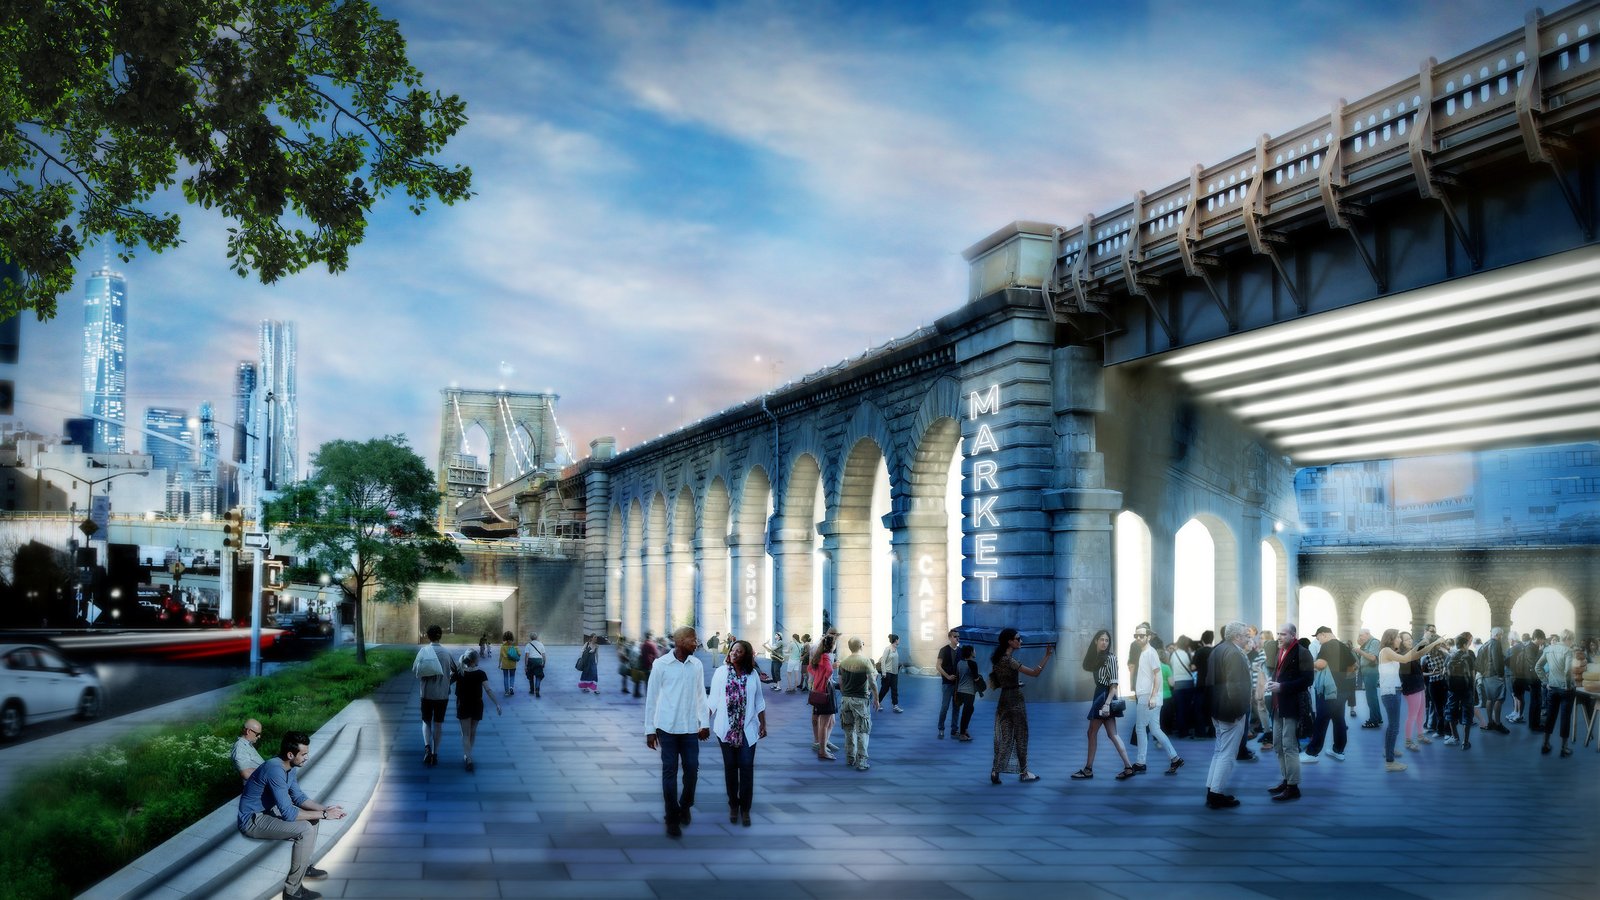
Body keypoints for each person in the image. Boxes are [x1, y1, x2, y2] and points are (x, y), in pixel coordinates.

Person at [237, 730, 347, 900]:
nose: (306, 757)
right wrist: (325, 814)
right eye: (303, 754)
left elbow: (298, 797)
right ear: (290, 754)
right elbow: (288, 813)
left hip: (267, 813)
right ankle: (292, 892)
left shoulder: (290, 767)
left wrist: (326, 809)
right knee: (306, 829)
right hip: (252, 820)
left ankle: (304, 867)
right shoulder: (275, 769)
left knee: (313, 818)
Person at [644, 626, 710, 837]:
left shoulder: (696, 665)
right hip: (667, 729)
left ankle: (685, 805)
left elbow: (701, 695)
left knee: (692, 771)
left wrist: (704, 723)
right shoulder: (661, 664)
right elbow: (651, 697)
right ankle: (671, 817)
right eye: (693, 639)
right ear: (680, 641)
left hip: (690, 728)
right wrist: (649, 730)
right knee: (669, 773)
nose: (696, 643)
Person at [708, 639, 767, 827]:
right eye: (733, 650)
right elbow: (713, 700)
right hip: (725, 730)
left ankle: (746, 809)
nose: (734, 653)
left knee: (747, 768)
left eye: (739, 651)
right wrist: (701, 723)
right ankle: (733, 805)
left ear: (746, 655)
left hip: (748, 730)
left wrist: (763, 724)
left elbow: (759, 700)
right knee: (731, 769)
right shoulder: (721, 672)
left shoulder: (753, 675)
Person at [1377, 628, 1448, 771]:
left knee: (1393, 726)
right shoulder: (1386, 651)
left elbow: (1417, 653)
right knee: (1394, 727)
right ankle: (1390, 762)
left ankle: (1388, 750)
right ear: (1391, 638)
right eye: (1398, 637)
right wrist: (1425, 641)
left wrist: (1429, 644)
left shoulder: (1391, 652)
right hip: (1390, 692)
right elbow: (1408, 657)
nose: (1400, 640)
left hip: (1393, 692)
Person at [992, 627, 1052, 783]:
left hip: (1003, 699)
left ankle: (995, 770)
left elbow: (995, 683)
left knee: (1004, 737)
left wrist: (1012, 683)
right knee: (1021, 735)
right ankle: (1024, 773)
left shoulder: (997, 659)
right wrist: (1046, 656)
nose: (1020, 641)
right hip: (1015, 700)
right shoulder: (1010, 660)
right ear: (1010, 641)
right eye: (1018, 639)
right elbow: (1034, 673)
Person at [1071, 629, 1131, 782]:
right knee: (1112, 734)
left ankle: (1088, 769)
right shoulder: (1097, 657)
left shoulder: (1110, 658)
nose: (1105, 642)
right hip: (1100, 695)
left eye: (1107, 640)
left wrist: (1106, 704)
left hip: (1104, 697)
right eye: (1102, 639)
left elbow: (1114, 683)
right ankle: (1128, 767)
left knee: (1092, 732)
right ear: (1096, 641)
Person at [1205, 622, 1253, 809]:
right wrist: (1239, 711)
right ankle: (1216, 795)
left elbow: (1209, 681)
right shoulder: (1233, 653)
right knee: (1227, 754)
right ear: (1236, 637)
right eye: (1245, 635)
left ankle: (1211, 789)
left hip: (1218, 709)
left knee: (1219, 752)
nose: (1248, 638)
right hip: (1230, 711)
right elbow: (1234, 686)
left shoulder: (1218, 650)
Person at [1265, 623, 1314, 802]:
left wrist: (1282, 686)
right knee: (1278, 745)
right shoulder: (1280, 650)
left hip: (1292, 706)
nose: (1279, 637)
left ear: (1294, 635)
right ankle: (1286, 781)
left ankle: (1293, 787)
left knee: (1289, 746)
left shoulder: (1302, 652)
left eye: (1283, 634)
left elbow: (1308, 679)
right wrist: (1272, 683)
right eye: (1278, 633)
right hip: (1279, 705)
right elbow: (1279, 674)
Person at [1132, 625, 1184, 775]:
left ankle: (1141, 762)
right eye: (1136, 636)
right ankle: (1175, 758)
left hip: (1148, 696)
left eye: (1141, 636)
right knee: (1155, 729)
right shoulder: (1146, 652)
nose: (1138, 638)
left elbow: (1158, 675)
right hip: (1149, 695)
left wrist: (1153, 696)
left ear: (1148, 637)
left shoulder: (1150, 652)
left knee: (1141, 728)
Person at [1304, 625, 1352, 762]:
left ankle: (1311, 753)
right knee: (1339, 720)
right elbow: (1353, 666)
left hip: (1329, 690)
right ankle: (1338, 750)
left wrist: (1308, 663)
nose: (1319, 642)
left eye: (1319, 639)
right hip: (1342, 690)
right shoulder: (1344, 646)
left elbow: (1320, 664)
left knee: (1321, 720)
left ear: (1324, 634)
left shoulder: (1326, 646)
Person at [412, 625, 458, 767]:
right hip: (442, 695)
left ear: (428, 636)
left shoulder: (424, 651)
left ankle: (427, 749)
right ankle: (435, 753)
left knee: (426, 721)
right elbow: (456, 672)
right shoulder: (446, 653)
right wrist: (447, 683)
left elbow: (416, 670)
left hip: (426, 694)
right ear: (440, 636)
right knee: (438, 724)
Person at [837, 637, 882, 771]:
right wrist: (876, 698)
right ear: (860, 646)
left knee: (848, 730)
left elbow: (840, 683)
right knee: (862, 730)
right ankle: (861, 761)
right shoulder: (865, 661)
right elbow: (872, 682)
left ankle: (850, 757)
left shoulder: (843, 662)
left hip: (845, 700)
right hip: (860, 700)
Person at [455, 649, 501, 771]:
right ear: (474, 660)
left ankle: (468, 757)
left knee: (465, 734)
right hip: (477, 704)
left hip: (463, 704)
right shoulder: (481, 673)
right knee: (473, 731)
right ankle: (468, 755)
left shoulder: (459, 672)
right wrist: (497, 704)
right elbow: (488, 690)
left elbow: (446, 682)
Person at [1537, 630, 1577, 757]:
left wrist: (1545, 681)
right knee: (1565, 718)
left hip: (1552, 688)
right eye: (1572, 640)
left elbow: (1538, 666)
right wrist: (1567, 685)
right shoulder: (1568, 651)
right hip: (1566, 690)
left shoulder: (1548, 649)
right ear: (1569, 639)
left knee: (1550, 716)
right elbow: (1567, 671)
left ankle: (1545, 744)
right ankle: (1564, 748)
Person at [1444, 632, 1477, 749]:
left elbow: (1444, 673)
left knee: (1451, 712)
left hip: (1452, 690)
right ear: (1464, 645)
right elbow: (1473, 676)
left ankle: (1455, 737)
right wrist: (1473, 692)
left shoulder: (1450, 656)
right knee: (1467, 713)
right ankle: (1465, 742)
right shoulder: (1469, 656)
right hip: (1466, 689)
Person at [809, 634, 839, 759]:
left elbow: (810, 668)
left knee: (830, 721)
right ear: (832, 645)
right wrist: (825, 678)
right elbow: (829, 671)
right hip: (825, 690)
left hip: (817, 689)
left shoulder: (818, 655)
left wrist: (819, 677)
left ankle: (824, 743)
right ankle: (822, 750)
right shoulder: (826, 657)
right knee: (825, 722)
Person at [1398, 632, 1430, 750]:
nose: (1410, 641)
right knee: (1412, 715)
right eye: (1406, 640)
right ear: (1401, 642)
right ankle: (1408, 741)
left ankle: (1420, 735)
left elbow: (1418, 671)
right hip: (1411, 688)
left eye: (1410, 638)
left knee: (1421, 712)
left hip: (1419, 686)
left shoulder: (1412, 653)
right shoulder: (1402, 654)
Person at [1479, 627, 1509, 733]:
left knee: (1489, 699)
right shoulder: (1496, 643)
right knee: (1499, 699)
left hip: (1486, 676)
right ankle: (1497, 724)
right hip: (1495, 675)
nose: (1502, 637)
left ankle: (1490, 722)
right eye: (1501, 635)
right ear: (1499, 635)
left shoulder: (1485, 644)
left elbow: (1479, 661)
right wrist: (1501, 674)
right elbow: (1497, 660)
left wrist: (1483, 672)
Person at [1354, 627, 1383, 728]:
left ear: (1367, 634)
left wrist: (1359, 651)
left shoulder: (1374, 642)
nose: (1360, 638)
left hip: (1371, 672)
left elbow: (1372, 657)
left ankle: (1373, 720)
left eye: (1361, 635)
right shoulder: (1368, 643)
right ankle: (1377, 718)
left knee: (1371, 697)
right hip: (1367, 672)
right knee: (1372, 697)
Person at [1170, 636, 1196, 738]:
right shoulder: (1187, 654)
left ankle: (1181, 730)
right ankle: (1187, 729)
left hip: (1177, 683)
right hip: (1188, 683)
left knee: (1179, 708)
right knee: (1187, 707)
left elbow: (1171, 666)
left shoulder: (1173, 654)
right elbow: (1191, 667)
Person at [953, 644, 981, 740]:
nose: (975, 652)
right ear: (971, 653)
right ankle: (962, 734)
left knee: (970, 709)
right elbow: (976, 678)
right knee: (966, 712)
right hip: (969, 691)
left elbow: (958, 677)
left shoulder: (959, 663)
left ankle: (964, 730)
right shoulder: (973, 664)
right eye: (974, 650)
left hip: (960, 690)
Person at [936, 629, 960, 740]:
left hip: (958, 684)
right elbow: (938, 666)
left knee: (956, 707)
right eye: (955, 636)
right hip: (947, 683)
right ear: (950, 637)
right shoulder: (944, 650)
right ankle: (941, 728)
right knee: (945, 707)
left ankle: (954, 730)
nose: (957, 638)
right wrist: (947, 676)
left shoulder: (961, 651)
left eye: (958, 636)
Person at [877, 634, 903, 712]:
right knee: (884, 689)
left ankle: (895, 705)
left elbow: (893, 661)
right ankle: (877, 703)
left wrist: (898, 666)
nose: (899, 641)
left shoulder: (896, 649)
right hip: (887, 673)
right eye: (898, 639)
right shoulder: (887, 649)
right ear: (896, 640)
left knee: (894, 689)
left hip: (895, 673)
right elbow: (883, 661)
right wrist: (884, 672)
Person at [523, 631, 547, 697]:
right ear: (537, 637)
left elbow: (527, 656)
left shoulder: (528, 645)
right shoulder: (541, 644)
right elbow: (544, 656)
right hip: (539, 661)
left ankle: (531, 690)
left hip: (531, 661)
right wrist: (544, 663)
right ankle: (537, 690)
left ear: (530, 638)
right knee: (538, 676)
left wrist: (525, 665)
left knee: (530, 676)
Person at [497, 630, 520, 697]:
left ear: (505, 638)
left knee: (505, 677)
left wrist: (499, 664)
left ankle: (506, 692)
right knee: (512, 676)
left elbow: (500, 656)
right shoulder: (514, 646)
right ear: (512, 637)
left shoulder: (502, 646)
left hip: (505, 664)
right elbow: (519, 654)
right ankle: (511, 687)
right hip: (512, 664)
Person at [637, 630, 659, 697]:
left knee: (647, 682)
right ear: (650, 636)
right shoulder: (652, 645)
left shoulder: (642, 645)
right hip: (650, 666)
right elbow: (656, 655)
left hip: (644, 666)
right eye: (652, 636)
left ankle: (648, 695)